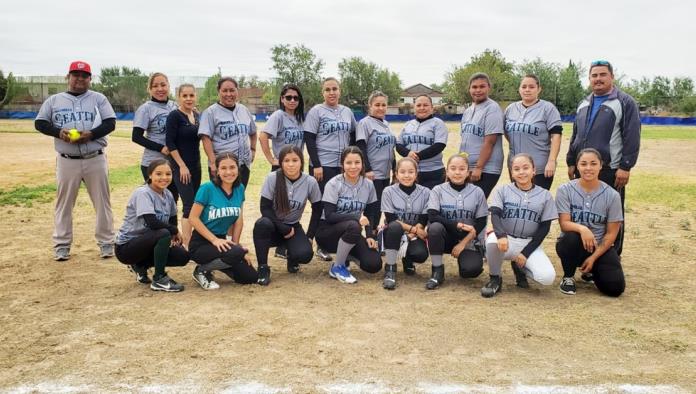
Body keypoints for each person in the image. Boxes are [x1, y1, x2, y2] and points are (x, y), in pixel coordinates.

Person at [34, 60, 117, 261]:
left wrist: (91, 134)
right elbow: (40, 123)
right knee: (63, 204)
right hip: (67, 160)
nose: (79, 78)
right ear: (68, 77)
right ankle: (62, 245)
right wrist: (57, 132)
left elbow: (110, 123)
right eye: (75, 75)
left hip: (95, 158)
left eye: (84, 75)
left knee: (102, 203)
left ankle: (106, 242)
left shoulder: (98, 98)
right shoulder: (54, 100)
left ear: (90, 79)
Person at [567, 60, 640, 256]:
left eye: (602, 75)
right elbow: (575, 134)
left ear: (612, 77)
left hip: (610, 169)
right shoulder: (584, 103)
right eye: (594, 75)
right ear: (589, 78)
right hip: (583, 169)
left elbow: (632, 136)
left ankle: (610, 257)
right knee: (583, 213)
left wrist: (626, 166)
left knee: (610, 215)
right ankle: (584, 255)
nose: (598, 79)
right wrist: (571, 160)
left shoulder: (625, 102)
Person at [481, 154, 558, 298]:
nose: (521, 172)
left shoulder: (545, 195)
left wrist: (526, 252)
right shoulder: (503, 190)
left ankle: (520, 267)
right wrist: (501, 236)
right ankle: (495, 278)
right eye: (516, 169)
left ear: (534, 170)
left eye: (525, 168)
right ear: (511, 172)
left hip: (529, 242)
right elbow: (495, 215)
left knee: (547, 278)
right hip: (507, 240)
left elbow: (544, 228)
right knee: (491, 243)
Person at [556, 148, 625, 297]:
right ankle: (568, 277)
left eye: (593, 164)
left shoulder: (612, 195)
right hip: (574, 244)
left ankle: (593, 270)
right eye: (583, 164)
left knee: (615, 288)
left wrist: (594, 257)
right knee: (570, 237)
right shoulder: (565, 190)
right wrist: (582, 229)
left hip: (599, 247)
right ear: (578, 166)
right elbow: (564, 223)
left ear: (601, 166)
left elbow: (612, 233)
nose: (588, 168)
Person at [114, 159, 189, 292]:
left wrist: (172, 235)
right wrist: (174, 230)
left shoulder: (168, 194)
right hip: (126, 248)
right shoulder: (143, 193)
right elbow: (152, 223)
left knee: (182, 256)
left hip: (148, 243)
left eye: (168, 174)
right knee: (163, 233)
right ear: (150, 175)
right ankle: (159, 279)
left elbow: (172, 218)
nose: (164, 178)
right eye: (159, 174)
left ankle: (140, 265)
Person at [304, 77, 357, 261]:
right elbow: (309, 139)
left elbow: (353, 136)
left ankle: (336, 242)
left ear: (340, 91)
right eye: (328, 89)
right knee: (323, 206)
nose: (332, 92)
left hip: (343, 167)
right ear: (323, 93)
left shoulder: (347, 112)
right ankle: (321, 244)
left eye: (335, 88)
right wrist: (316, 164)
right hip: (323, 165)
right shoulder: (316, 111)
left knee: (340, 205)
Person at [253, 145, 322, 285]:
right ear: (281, 163)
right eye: (286, 160)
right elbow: (264, 208)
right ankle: (263, 268)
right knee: (262, 224)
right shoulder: (272, 178)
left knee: (305, 255)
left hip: (293, 227)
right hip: (273, 225)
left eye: (295, 160)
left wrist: (309, 236)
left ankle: (292, 255)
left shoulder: (310, 182)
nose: (291, 164)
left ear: (301, 162)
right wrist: (282, 227)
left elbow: (317, 209)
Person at [188, 152, 258, 290]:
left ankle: (219, 264)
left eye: (232, 167)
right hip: (201, 243)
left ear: (238, 169)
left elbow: (239, 220)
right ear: (217, 171)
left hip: (223, 243)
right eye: (223, 168)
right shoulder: (207, 188)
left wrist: (236, 247)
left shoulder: (240, 188)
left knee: (250, 277)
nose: (228, 172)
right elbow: (193, 218)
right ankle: (201, 270)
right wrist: (214, 240)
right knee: (236, 253)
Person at [315, 146, 382, 283]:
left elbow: (370, 213)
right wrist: (357, 217)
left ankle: (346, 255)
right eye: (348, 163)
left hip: (351, 232)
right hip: (327, 233)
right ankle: (338, 266)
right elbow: (329, 216)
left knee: (374, 264)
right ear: (342, 164)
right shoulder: (334, 184)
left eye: (357, 162)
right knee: (353, 225)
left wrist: (369, 235)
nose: (353, 166)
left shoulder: (368, 185)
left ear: (363, 164)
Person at [425, 153, 488, 290]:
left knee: (470, 271)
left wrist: (463, 244)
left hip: (468, 240)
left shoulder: (477, 192)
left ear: (467, 172)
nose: (457, 172)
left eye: (461, 169)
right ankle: (437, 271)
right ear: (447, 171)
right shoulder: (438, 190)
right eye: (453, 168)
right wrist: (457, 225)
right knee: (435, 228)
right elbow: (433, 216)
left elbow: (481, 222)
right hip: (445, 237)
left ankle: (466, 260)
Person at [504, 74, 563, 190]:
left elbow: (556, 136)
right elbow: (507, 133)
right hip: (515, 166)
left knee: (537, 203)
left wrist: (551, 161)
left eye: (531, 87)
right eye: (524, 86)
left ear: (539, 89)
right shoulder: (510, 109)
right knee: (517, 199)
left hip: (540, 167)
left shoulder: (548, 108)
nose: (527, 90)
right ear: (519, 89)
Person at [380, 157, 430, 290]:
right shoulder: (388, 191)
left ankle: (408, 260)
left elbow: (423, 219)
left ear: (416, 173)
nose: (406, 175)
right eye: (402, 172)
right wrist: (413, 229)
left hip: (414, 235)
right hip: (393, 233)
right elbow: (391, 219)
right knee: (395, 227)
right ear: (396, 174)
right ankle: (390, 269)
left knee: (420, 255)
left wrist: (412, 233)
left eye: (410, 172)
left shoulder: (426, 192)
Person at [199, 77, 257, 187]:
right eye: (225, 91)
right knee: (220, 199)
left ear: (237, 91)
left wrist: (253, 150)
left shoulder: (243, 110)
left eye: (232, 90)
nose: (228, 94)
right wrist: (212, 162)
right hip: (222, 166)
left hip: (243, 164)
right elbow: (205, 138)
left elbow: (253, 132)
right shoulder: (211, 112)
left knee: (239, 198)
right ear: (219, 91)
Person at [132, 72, 178, 201]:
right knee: (156, 201)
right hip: (153, 163)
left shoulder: (175, 106)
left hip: (173, 163)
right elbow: (136, 137)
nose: (160, 89)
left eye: (163, 85)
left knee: (172, 201)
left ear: (168, 86)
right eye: (155, 86)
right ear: (150, 89)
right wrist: (160, 148)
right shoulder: (146, 109)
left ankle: (171, 223)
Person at [165, 84, 201, 248]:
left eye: (191, 95)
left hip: (196, 165)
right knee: (189, 205)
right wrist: (181, 166)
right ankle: (187, 245)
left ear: (195, 97)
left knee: (196, 203)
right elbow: (170, 143)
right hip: (181, 167)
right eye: (185, 96)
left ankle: (192, 240)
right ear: (179, 97)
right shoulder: (174, 116)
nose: (188, 99)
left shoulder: (197, 115)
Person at [459, 72, 504, 198]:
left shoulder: (492, 108)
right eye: (474, 87)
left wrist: (479, 167)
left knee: (476, 204)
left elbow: (490, 141)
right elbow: (464, 141)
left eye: (482, 86)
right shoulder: (468, 111)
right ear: (469, 89)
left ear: (489, 88)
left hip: (486, 168)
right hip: (468, 167)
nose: (478, 90)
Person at [356, 90, 396, 229]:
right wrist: (367, 169)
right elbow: (361, 147)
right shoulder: (364, 123)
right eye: (377, 104)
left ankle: (376, 234)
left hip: (386, 174)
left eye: (383, 105)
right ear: (370, 106)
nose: (380, 108)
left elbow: (391, 148)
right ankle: (370, 236)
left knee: (382, 206)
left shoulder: (386, 123)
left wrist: (395, 170)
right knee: (373, 207)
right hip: (373, 174)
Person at [396, 94, 448, 189]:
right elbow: (398, 145)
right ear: (414, 108)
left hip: (433, 172)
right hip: (410, 172)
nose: (422, 108)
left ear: (432, 108)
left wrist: (417, 156)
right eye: (418, 105)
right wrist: (408, 153)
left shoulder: (438, 123)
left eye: (425, 105)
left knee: (432, 202)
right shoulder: (408, 124)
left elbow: (439, 145)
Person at [259, 83, 305, 171]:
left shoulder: (300, 118)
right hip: (282, 165)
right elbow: (262, 137)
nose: (292, 100)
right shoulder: (278, 116)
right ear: (282, 99)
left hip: (297, 164)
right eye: (288, 97)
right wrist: (271, 160)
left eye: (296, 98)